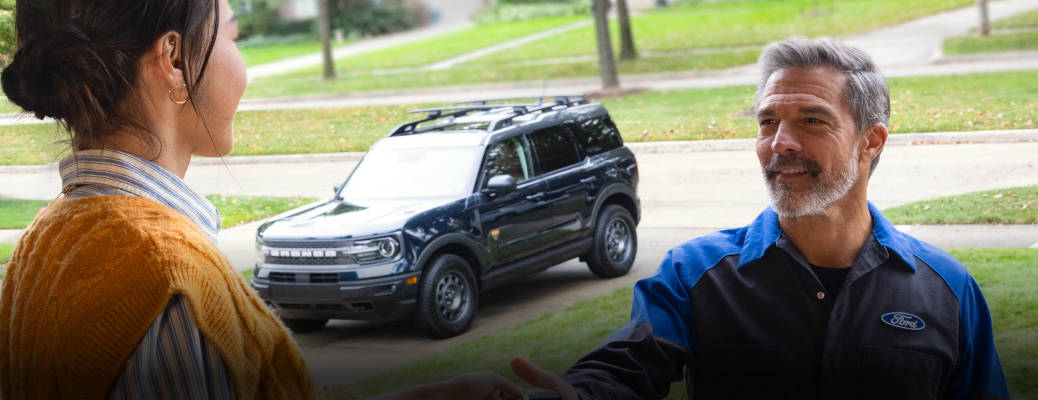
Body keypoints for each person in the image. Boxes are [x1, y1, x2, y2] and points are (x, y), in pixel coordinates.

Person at [0, 1, 523, 399]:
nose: (240, 57)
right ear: (175, 60)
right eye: (234, 34)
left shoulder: (48, 242)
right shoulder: (168, 284)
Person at [509, 37, 1010, 399]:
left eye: (811, 120)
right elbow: (628, 366)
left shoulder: (948, 288)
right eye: (767, 122)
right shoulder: (695, 273)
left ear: (870, 142)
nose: (780, 143)